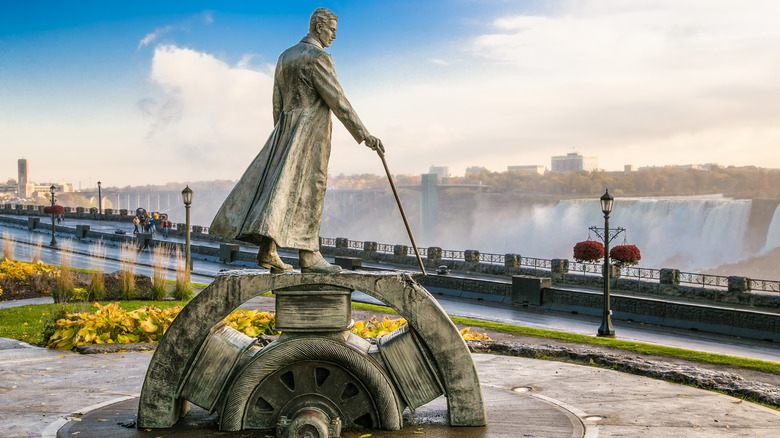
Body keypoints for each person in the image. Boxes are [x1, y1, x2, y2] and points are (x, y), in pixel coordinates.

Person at [210, 7, 383, 274]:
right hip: (311, 136)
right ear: (318, 26)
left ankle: (268, 251)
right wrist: (364, 135)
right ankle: (309, 255)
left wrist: (283, 135)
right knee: (311, 190)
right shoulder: (318, 58)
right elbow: (338, 101)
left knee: (279, 190)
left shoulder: (285, 56)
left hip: (285, 131)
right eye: (332, 30)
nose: (334, 36)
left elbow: (276, 101)